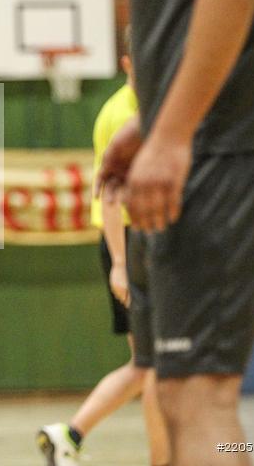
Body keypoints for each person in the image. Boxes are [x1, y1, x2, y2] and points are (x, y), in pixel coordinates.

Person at [98, 0, 254, 464]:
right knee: (184, 394)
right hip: (226, 130)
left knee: (198, 395)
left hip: (227, 141)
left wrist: (173, 133)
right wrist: (154, 119)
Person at [37, 28, 169, 466]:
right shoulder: (119, 115)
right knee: (154, 364)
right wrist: (119, 264)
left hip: (153, 240)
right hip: (130, 243)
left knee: (149, 364)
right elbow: (110, 197)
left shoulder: (163, 106)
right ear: (128, 65)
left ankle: (69, 435)